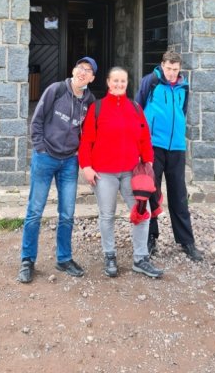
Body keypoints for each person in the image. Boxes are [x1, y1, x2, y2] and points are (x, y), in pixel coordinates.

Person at [78, 66, 164, 279]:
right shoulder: (97, 108)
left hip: (131, 172)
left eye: (122, 81)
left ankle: (140, 258)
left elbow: (144, 138)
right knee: (107, 215)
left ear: (127, 83)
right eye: (115, 81)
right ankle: (109, 255)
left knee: (142, 212)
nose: (119, 84)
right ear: (108, 82)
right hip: (104, 173)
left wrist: (148, 161)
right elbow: (86, 140)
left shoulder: (135, 108)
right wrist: (86, 166)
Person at [18, 57, 97, 283]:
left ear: (92, 78)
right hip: (45, 158)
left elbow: (89, 133)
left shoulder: (90, 101)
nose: (83, 72)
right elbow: (37, 121)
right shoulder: (56, 90)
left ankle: (64, 258)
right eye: (80, 68)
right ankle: (27, 260)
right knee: (35, 211)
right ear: (73, 70)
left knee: (67, 213)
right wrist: (40, 148)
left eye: (88, 71)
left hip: (69, 161)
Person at [135, 50, 204, 262]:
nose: (172, 73)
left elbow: (182, 111)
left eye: (175, 69)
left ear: (179, 68)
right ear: (162, 65)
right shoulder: (151, 82)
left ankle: (186, 241)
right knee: (150, 192)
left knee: (179, 194)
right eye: (168, 68)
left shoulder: (184, 86)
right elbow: (137, 109)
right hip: (153, 146)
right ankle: (150, 237)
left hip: (176, 147)